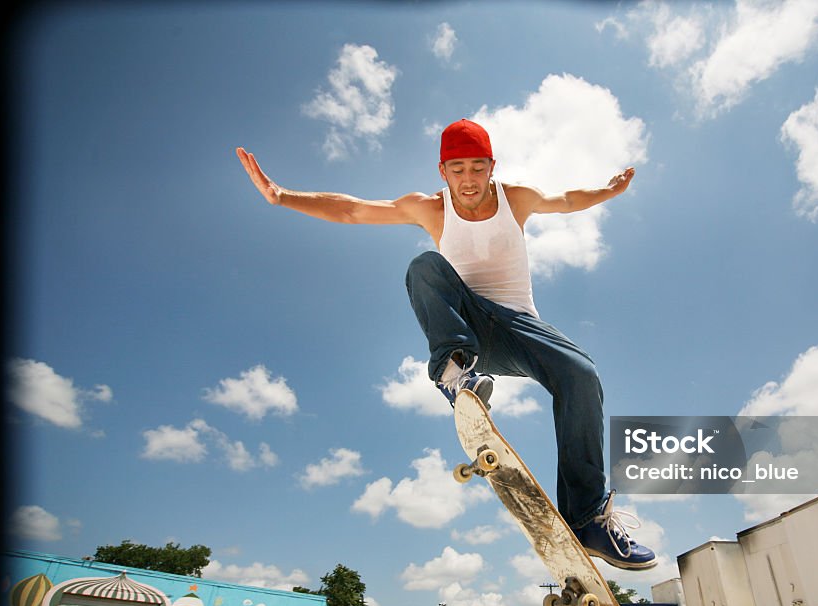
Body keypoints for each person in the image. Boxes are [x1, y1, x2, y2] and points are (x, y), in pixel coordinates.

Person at [236, 119, 656, 570]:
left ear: (492, 167)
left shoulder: (517, 197)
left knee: (582, 375)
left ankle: (587, 517)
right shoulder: (429, 209)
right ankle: (456, 375)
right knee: (424, 266)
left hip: (518, 329)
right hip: (468, 331)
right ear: (443, 171)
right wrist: (282, 196)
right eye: (458, 169)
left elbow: (568, 200)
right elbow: (354, 210)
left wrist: (608, 192)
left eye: (478, 168)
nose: (469, 180)